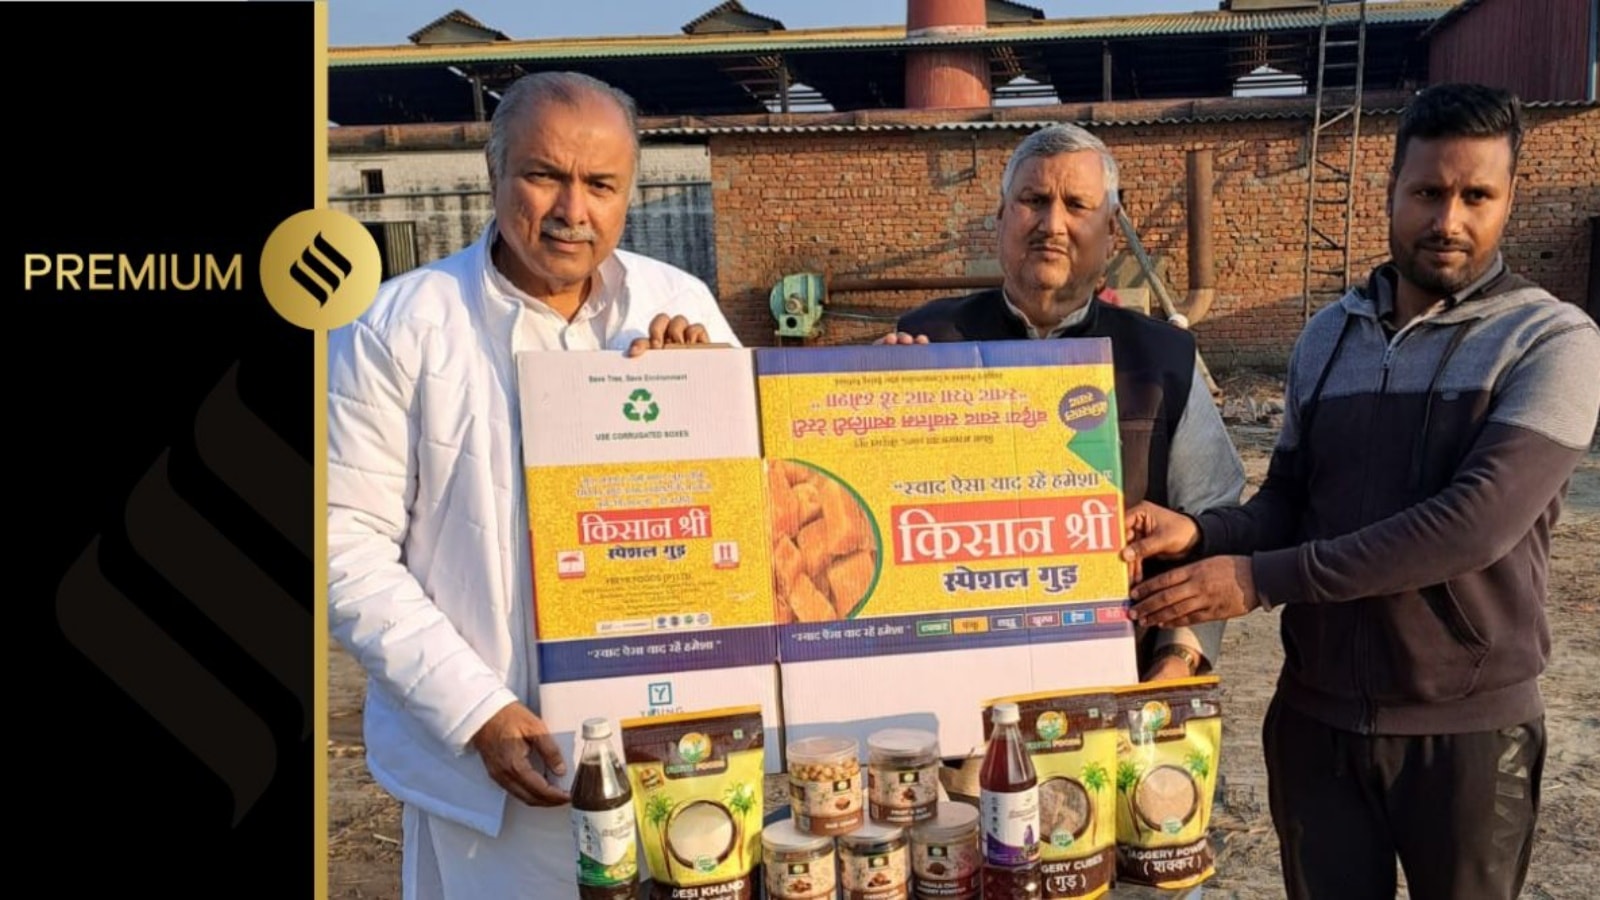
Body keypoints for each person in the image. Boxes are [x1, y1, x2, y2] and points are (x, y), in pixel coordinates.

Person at [1123, 83, 1600, 899]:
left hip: (1468, 731)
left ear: (1509, 199)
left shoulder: (1550, 340)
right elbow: (1289, 501)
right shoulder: (1328, 336)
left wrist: (1257, 579)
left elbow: (1471, 527)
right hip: (1318, 723)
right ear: (1390, 191)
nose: (1449, 219)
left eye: (1476, 196)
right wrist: (1201, 534)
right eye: (1428, 192)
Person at [327, 71, 739, 898]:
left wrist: (711, 399)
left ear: (629, 191)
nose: (571, 210)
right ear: (494, 172)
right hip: (498, 776)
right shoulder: (400, 328)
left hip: (671, 752)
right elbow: (344, 547)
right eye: (544, 175)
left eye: (601, 185)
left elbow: (744, 509)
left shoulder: (675, 303)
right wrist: (474, 710)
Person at [887, 122, 1245, 681]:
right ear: (1001, 216)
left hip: (1116, 684)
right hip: (953, 684)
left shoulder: (1162, 360)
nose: (1052, 224)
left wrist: (1176, 659)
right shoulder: (926, 343)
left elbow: (1211, 516)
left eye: (1077, 205)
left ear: (1111, 230)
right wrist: (871, 411)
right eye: (1033, 200)